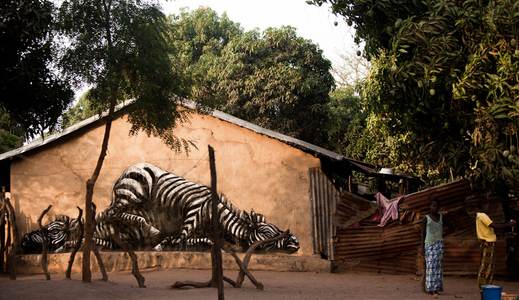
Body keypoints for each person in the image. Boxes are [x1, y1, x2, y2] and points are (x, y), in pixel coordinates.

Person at [476, 194, 516, 287]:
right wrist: (508, 224)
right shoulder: (482, 215)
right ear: (481, 205)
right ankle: (483, 285)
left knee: (489, 266)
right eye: (486, 204)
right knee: (486, 266)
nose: (488, 206)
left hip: (489, 242)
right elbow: (495, 226)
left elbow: (490, 231)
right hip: (488, 243)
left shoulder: (481, 216)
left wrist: (506, 234)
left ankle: (486, 285)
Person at [422, 198, 444, 297]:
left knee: (438, 267)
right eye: (432, 205)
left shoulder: (441, 217)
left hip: (439, 244)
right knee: (430, 267)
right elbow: (423, 233)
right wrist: (422, 248)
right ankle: (430, 289)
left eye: (436, 206)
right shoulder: (426, 218)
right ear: (429, 207)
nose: (434, 208)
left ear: (438, 207)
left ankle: (436, 288)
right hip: (429, 244)